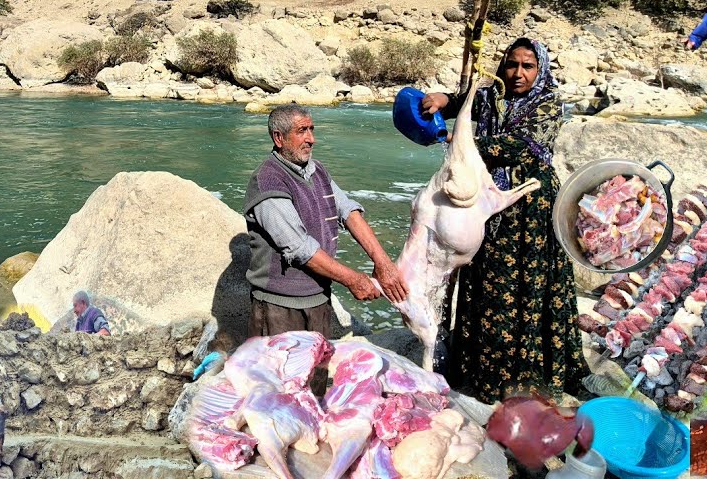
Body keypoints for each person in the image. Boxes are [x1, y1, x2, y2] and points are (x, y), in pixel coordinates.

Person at [421, 38, 585, 403]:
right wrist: (444, 101)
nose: (518, 73)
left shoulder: (548, 103)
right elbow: (466, 102)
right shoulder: (492, 95)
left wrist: (464, 144)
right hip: (485, 203)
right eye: (512, 64)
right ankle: (481, 371)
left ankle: (526, 376)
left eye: (528, 66)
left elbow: (521, 144)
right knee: (484, 282)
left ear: (540, 70)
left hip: (529, 208)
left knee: (528, 285)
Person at [243, 104, 408, 338]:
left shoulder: (316, 170)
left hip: (319, 298)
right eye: (302, 131)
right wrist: (354, 280)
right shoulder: (268, 181)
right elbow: (299, 247)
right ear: (278, 138)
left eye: (311, 129)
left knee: (317, 372)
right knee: (282, 374)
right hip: (279, 308)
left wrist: (383, 262)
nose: (311, 139)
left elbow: (348, 212)